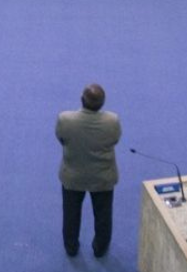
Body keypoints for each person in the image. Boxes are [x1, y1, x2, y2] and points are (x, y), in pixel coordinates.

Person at [57, 84, 120, 258]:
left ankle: (71, 247)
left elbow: (61, 139)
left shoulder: (65, 119)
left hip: (73, 176)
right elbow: (115, 140)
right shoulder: (112, 121)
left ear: (81, 100)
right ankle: (100, 249)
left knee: (70, 214)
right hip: (102, 178)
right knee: (103, 215)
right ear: (102, 103)